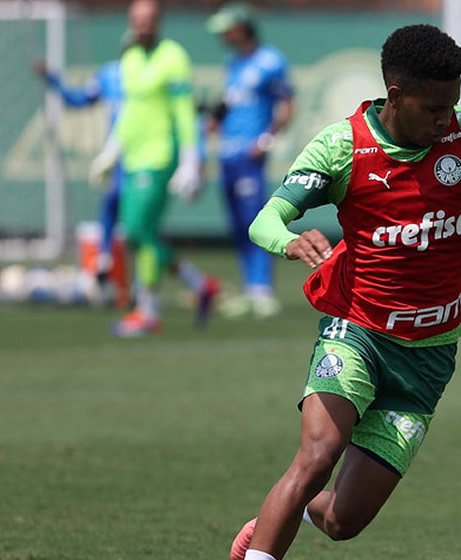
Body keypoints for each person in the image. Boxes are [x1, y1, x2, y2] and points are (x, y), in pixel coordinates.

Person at [230, 24, 461, 560]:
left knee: (344, 521)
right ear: (395, 96)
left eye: (453, 106)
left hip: (428, 360)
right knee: (318, 454)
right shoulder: (343, 146)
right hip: (358, 334)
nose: (446, 119)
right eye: (433, 108)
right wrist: (290, 240)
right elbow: (265, 219)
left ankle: (291, 509)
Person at [110, 0, 217, 336]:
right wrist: (110, 150)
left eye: (148, 19)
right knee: (143, 235)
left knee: (136, 230)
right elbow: (129, 113)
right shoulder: (129, 59)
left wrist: (189, 157)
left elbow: (184, 111)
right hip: (133, 157)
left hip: (159, 155)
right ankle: (197, 286)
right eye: (136, 19)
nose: (142, 25)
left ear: (158, 21)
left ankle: (149, 309)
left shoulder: (173, 56)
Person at [207, 2, 295, 318]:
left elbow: (287, 104)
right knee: (237, 225)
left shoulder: (270, 61)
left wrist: (267, 139)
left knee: (254, 220)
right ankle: (249, 288)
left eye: (226, 30)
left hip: (249, 155)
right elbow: (227, 105)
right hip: (227, 154)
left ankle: (263, 290)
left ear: (241, 28)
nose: (222, 36)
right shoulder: (232, 64)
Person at [34, 50, 126, 303]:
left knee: (139, 226)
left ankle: (138, 287)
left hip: (147, 159)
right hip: (115, 158)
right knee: (109, 209)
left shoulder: (155, 75)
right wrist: (53, 79)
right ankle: (105, 265)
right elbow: (78, 99)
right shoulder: (110, 74)